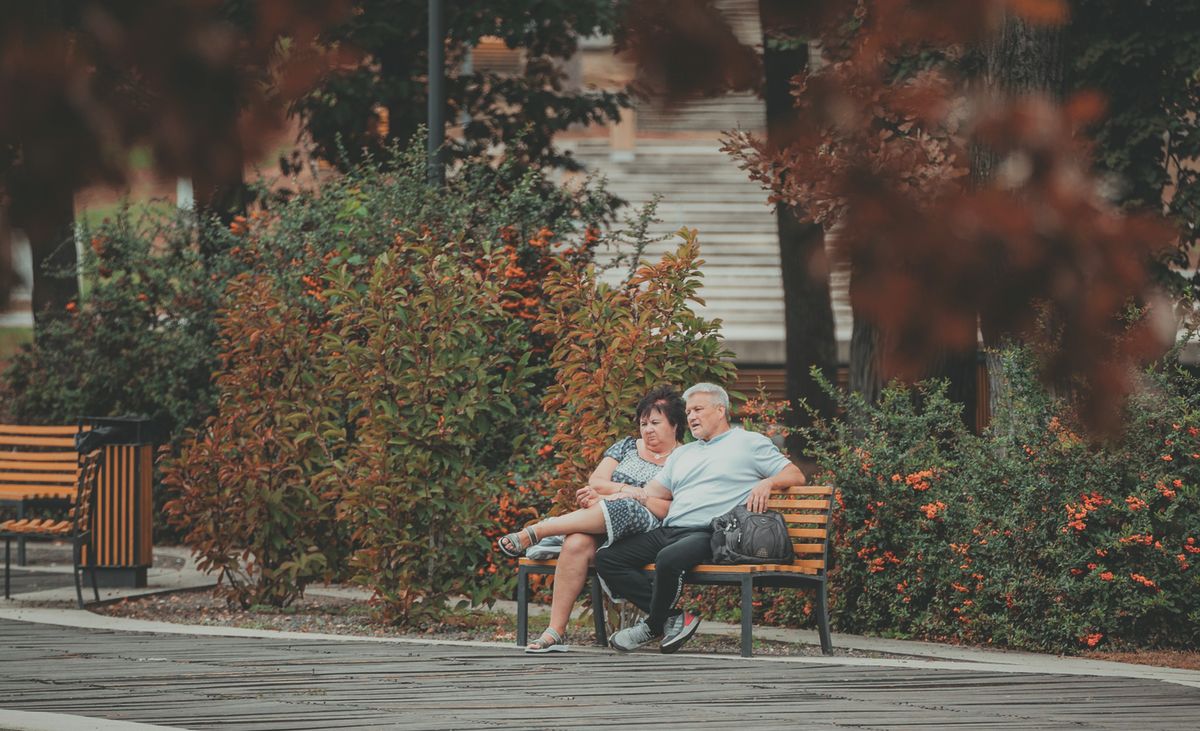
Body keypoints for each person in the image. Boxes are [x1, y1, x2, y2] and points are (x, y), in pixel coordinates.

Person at [595, 382, 806, 654]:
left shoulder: (748, 442)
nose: (691, 416)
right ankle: (671, 618)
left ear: (720, 410)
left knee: (668, 559)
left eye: (698, 409)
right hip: (671, 529)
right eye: (688, 411)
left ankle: (652, 625)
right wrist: (613, 494)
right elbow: (650, 492)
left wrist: (768, 483)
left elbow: (795, 475)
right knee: (607, 558)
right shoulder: (683, 453)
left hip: (711, 532)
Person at [496, 385, 687, 653]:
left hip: (649, 528)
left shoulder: (686, 458)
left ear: (675, 424)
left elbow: (672, 507)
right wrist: (620, 493)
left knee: (623, 507)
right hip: (604, 517)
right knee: (575, 543)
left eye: (655, 422)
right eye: (643, 423)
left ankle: (537, 531)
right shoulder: (626, 447)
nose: (647, 430)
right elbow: (596, 481)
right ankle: (555, 632)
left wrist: (626, 498)